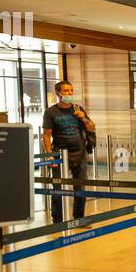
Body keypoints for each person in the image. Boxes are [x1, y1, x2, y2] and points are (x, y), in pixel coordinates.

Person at [41, 80, 95, 226]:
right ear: (58, 94)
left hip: (79, 152)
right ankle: (57, 221)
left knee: (80, 187)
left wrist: (82, 118)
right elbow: (46, 135)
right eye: (66, 91)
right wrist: (49, 155)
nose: (69, 93)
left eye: (71, 90)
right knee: (58, 188)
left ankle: (79, 218)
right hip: (60, 154)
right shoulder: (51, 112)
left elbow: (91, 128)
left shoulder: (78, 109)